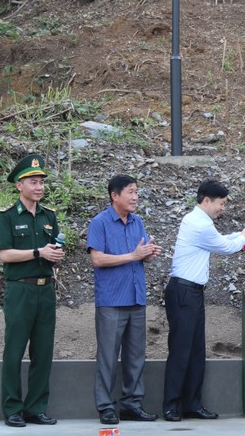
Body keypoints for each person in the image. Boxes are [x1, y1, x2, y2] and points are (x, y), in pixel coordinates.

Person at [162, 179, 245, 422]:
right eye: (221, 203)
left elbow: (222, 239)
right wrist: (244, 237)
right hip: (183, 292)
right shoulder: (198, 223)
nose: (223, 208)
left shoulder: (200, 221)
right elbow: (225, 246)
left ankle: (192, 404)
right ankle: (171, 406)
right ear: (206, 201)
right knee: (181, 351)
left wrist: (242, 234)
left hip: (192, 293)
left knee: (195, 351)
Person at [0, 153, 65, 428]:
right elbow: (5, 255)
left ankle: (36, 408)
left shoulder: (49, 217)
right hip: (20, 291)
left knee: (43, 351)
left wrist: (55, 255)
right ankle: (13, 408)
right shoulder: (8, 217)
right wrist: (38, 252)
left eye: (41, 182)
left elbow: (55, 248)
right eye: (33, 182)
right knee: (14, 351)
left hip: (45, 290)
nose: (39, 187)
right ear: (19, 186)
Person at [87, 174, 163, 425]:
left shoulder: (137, 221)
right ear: (114, 195)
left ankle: (132, 404)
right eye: (130, 192)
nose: (135, 197)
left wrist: (148, 254)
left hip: (136, 297)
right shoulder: (100, 222)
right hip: (111, 300)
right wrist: (133, 255)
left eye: (137, 192)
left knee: (135, 355)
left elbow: (138, 255)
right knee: (108, 356)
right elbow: (97, 259)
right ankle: (106, 407)